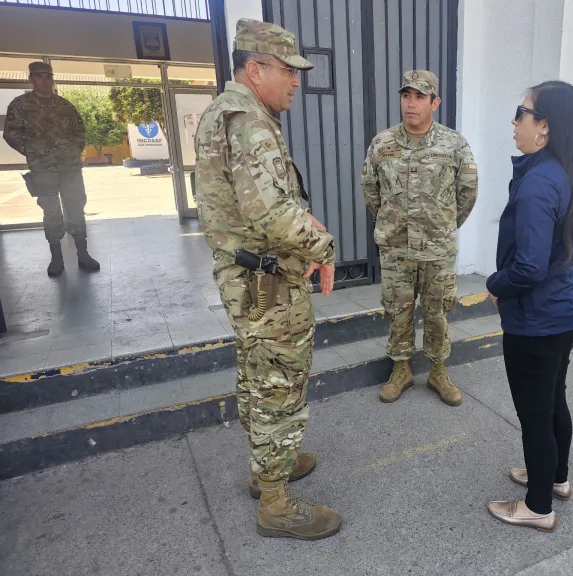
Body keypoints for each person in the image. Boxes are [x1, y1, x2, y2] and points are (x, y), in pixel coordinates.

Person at [194, 19, 341, 541]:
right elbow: (272, 215)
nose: (296, 82)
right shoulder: (248, 121)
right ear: (255, 69)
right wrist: (325, 249)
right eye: (288, 71)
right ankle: (276, 504)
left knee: (258, 378)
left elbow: (255, 207)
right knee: (279, 386)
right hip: (269, 285)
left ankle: (266, 470)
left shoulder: (225, 113)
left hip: (248, 279)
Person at [486, 81, 573, 532]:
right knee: (553, 400)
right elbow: (570, 247)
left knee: (535, 412)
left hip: (539, 319)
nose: (515, 122)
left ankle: (537, 506)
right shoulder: (570, 170)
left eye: (522, 112)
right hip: (567, 308)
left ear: (545, 127)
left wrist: (496, 284)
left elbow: (528, 267)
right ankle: (556, 479)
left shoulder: (538, 183)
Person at [361, 70, 478, 406]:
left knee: (437, 310)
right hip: (395, 247)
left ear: (434, 102)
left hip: (437, 249)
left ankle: (438, 371)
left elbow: (467, 193)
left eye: (419, 97)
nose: (410, 103)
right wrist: (392, 222)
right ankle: (401, 369)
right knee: (398, 310)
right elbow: (371, 190)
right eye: (406, 96)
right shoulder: (382, 144)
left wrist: (442, 225)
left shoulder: (454, 144)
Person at [3, 61, 100, 276]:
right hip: (43, 169)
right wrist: (33, 152)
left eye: (48, 75)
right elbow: (11, 133)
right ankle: (56, 258)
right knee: (51, 211)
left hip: (70, 168)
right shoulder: (20, 105)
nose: (45, 79)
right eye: (40, 75)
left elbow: (79, 130)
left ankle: (83, 254)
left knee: (76, 207)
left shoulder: (65, 106)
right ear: (31, 79)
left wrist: (73, 150)